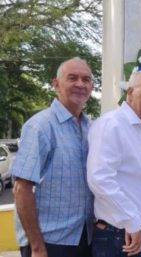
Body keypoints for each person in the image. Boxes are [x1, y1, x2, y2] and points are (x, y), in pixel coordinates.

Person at [11, 57, 94, 257]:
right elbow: (22, 189)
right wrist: (37, 247)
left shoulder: (90, 126)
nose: (80, 84)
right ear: (56, 84)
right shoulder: (40, 126)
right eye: (72, 78)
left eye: (86, 79)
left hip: (84, 238)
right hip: (49, 242)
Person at [87, 70, 141, 257]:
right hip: (121, 236)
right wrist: (132, 220)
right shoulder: (111, 125)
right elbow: (99, 179)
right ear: (130, 93)